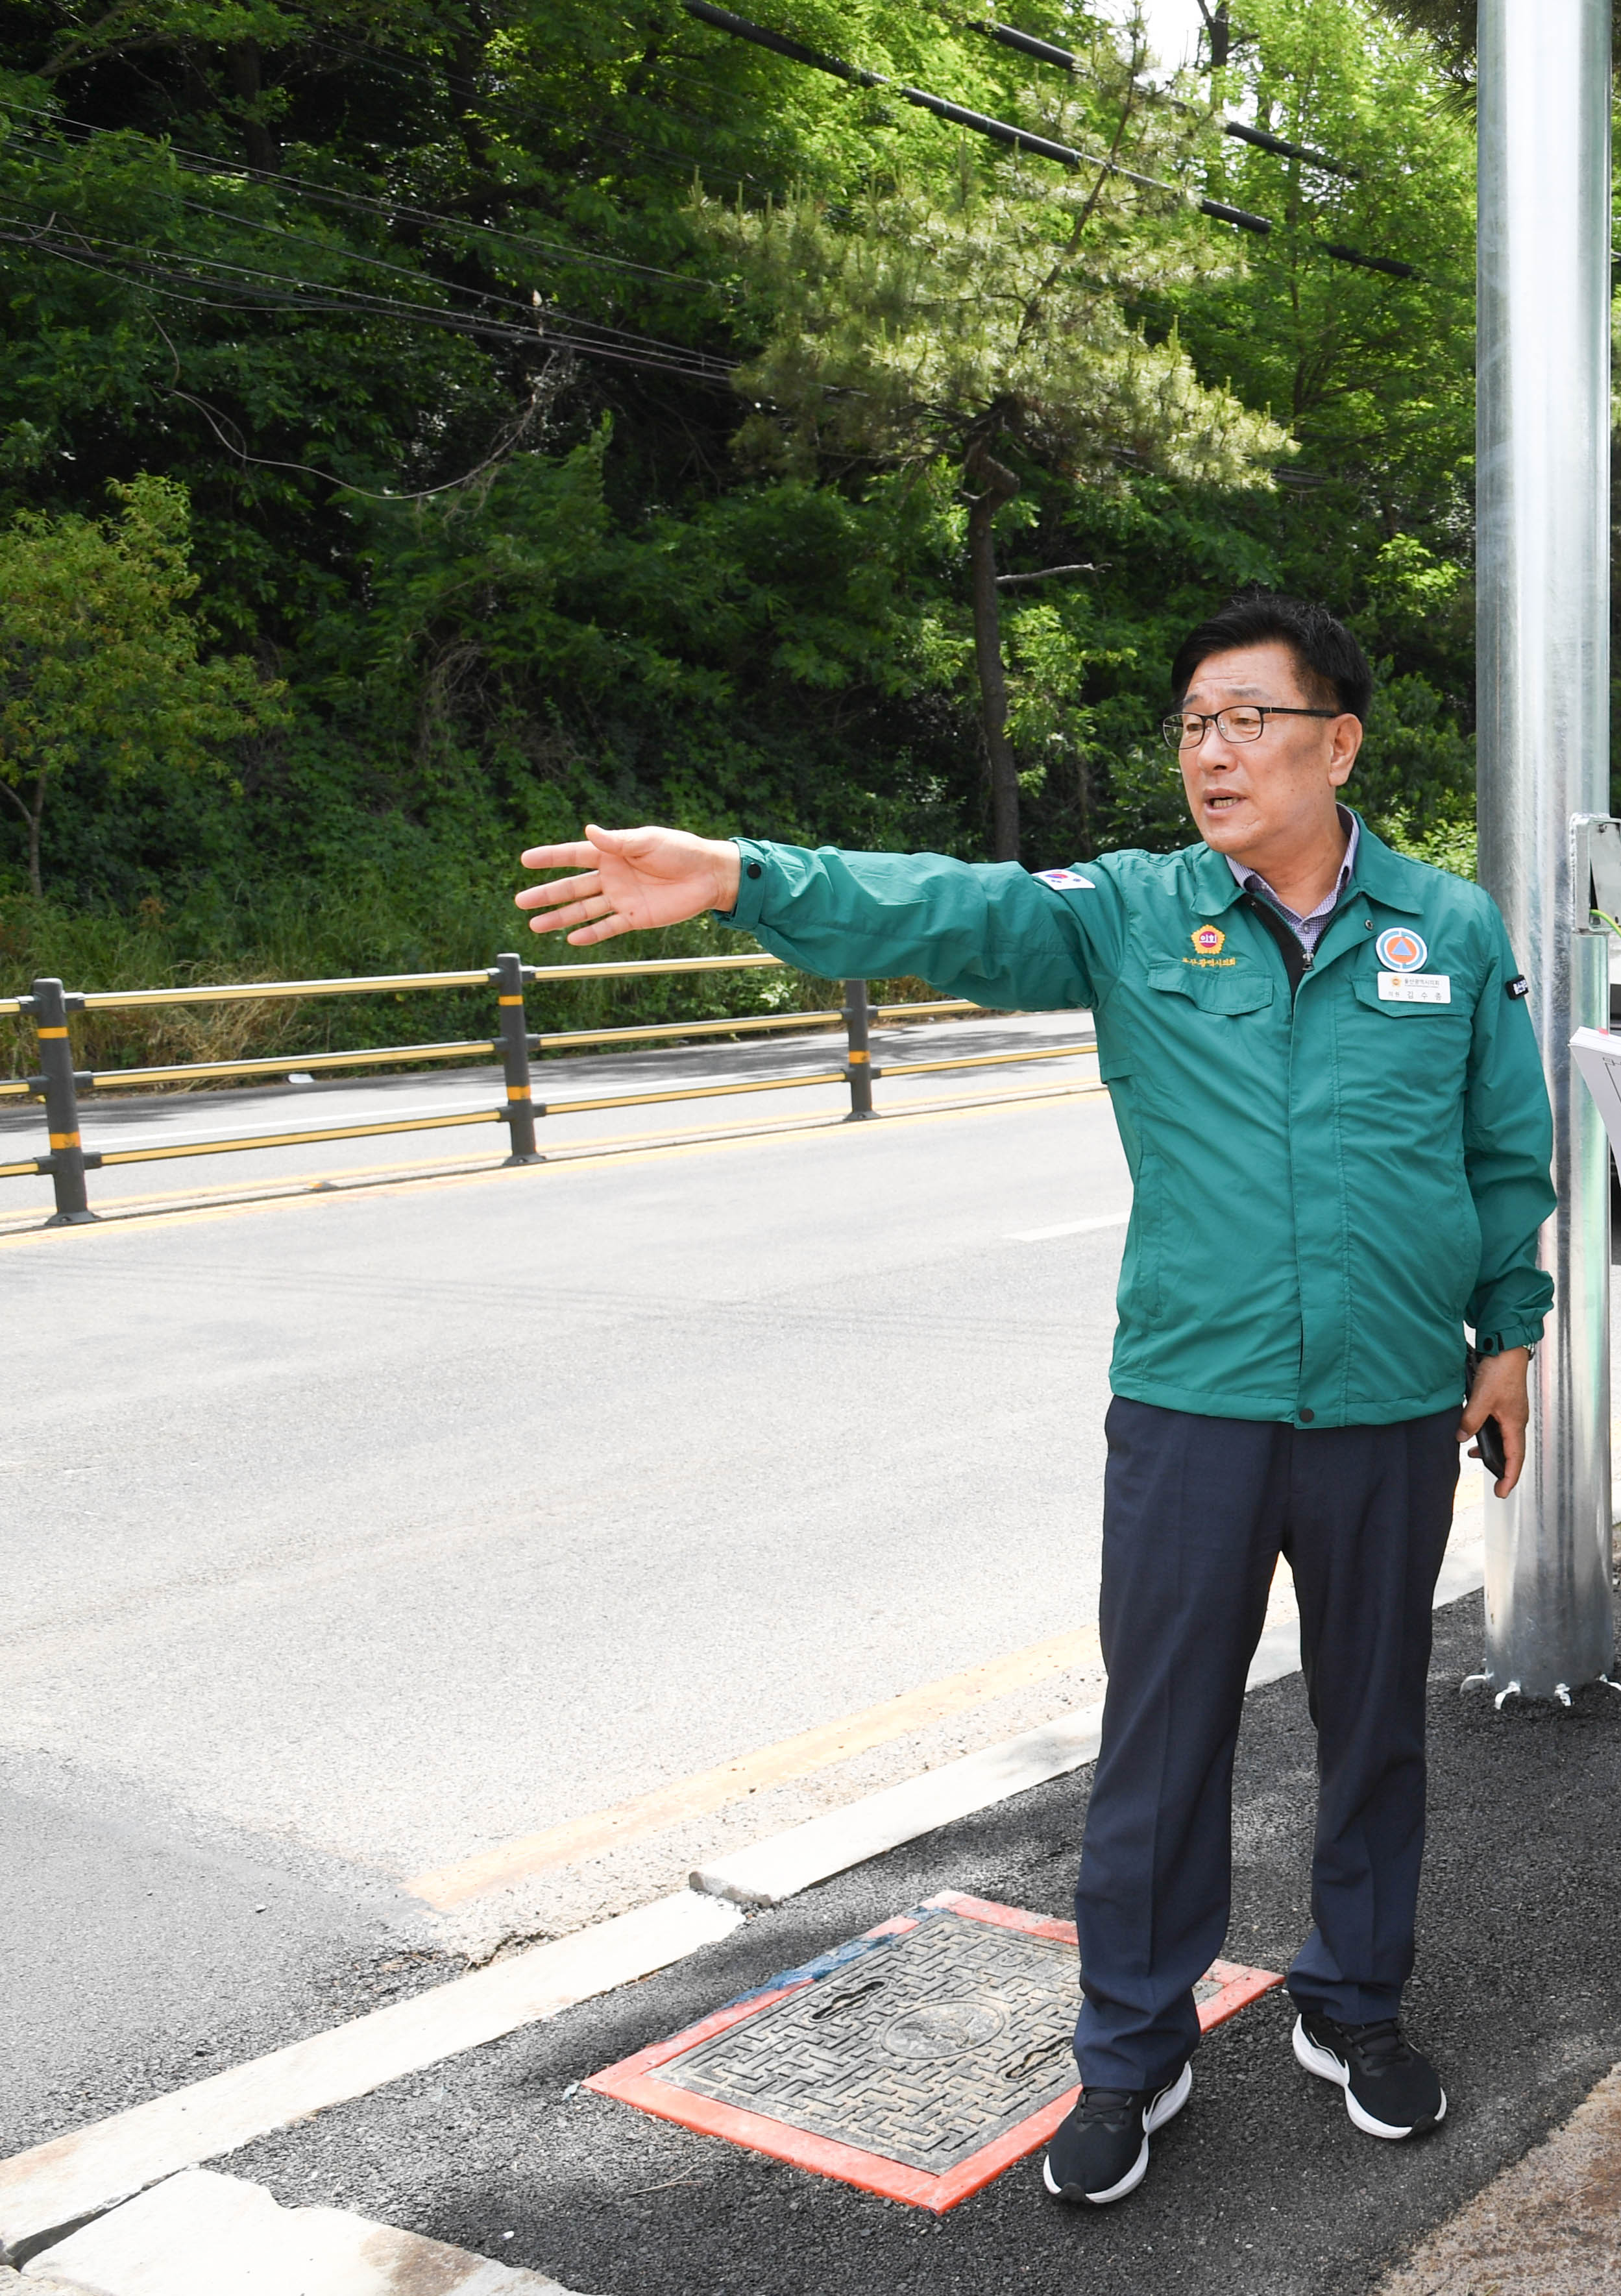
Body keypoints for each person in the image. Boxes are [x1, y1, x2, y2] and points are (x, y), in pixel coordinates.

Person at [513, 590, 1557, 2206]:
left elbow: (1501, 1151)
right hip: (1194, 1410)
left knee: (1374, 1730)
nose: (1212, 753)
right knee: (1159, 1747)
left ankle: (1353, 2005)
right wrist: (743, 878)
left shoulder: (1448, 929)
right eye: (1193, 724)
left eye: (1247, 720)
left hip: (1385, 1412)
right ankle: (1130, 2059)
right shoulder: (1136, 911)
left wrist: (1509, 1334)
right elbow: (951, 910)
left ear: (1338, 741)